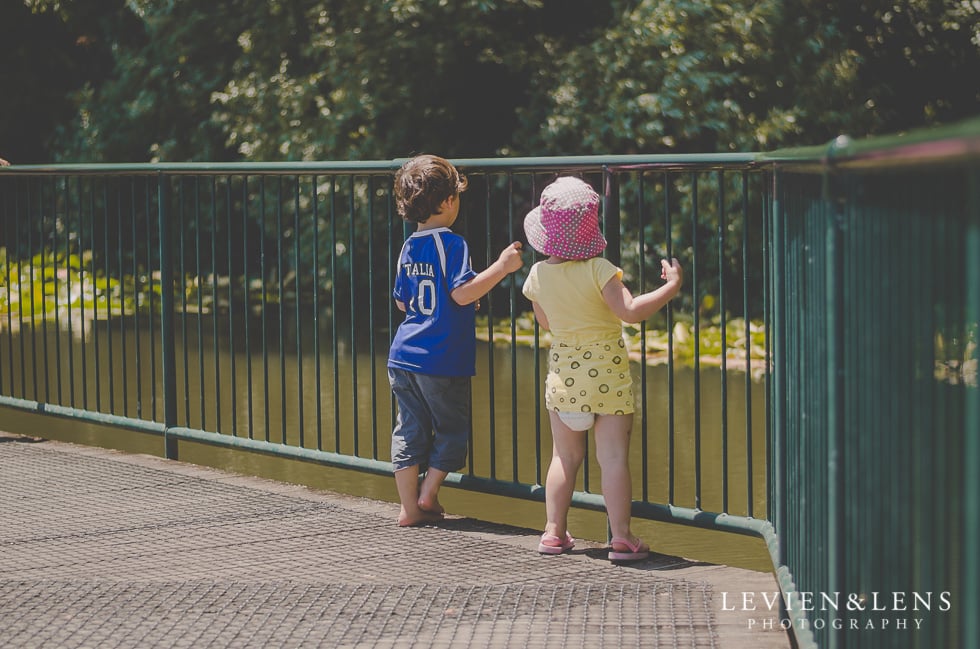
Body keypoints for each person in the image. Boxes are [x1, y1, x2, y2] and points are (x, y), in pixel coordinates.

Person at [521, 176, 683, 561]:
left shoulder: (537, 275)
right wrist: (671, 287)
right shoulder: (600, 269)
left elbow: (545, 323)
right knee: (611, 458)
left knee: (563, 457)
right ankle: (622, 537)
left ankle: (553, 532)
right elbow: (630, 312)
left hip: (564, 381)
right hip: (607, 381)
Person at [388, 154, 524, 526]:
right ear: (448, 201)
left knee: (409, 428)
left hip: (403, 355)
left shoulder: (409, 246)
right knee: (451, 429)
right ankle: (428, 493)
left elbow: (402, 300)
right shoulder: (453, 244)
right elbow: (462, 293)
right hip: (441, 357)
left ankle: (408, 507)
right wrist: (501, 267)